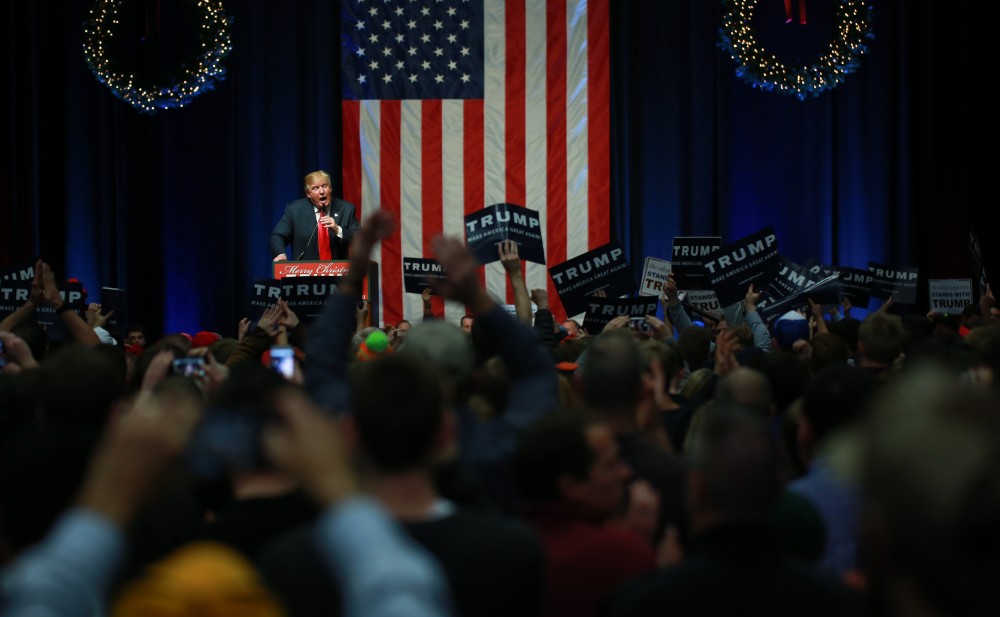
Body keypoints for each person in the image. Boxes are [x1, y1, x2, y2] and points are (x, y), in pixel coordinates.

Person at [270, 170, 361, 262]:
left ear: (330, 188)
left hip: (338, 273)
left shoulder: (346, 209)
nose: (321, 191)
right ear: (308, 194)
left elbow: (360, 238)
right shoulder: (295, 210)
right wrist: (280, 253)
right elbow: (278, 236)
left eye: (324, 186)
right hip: (305, 273)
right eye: (315, 188)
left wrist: (338, 229)